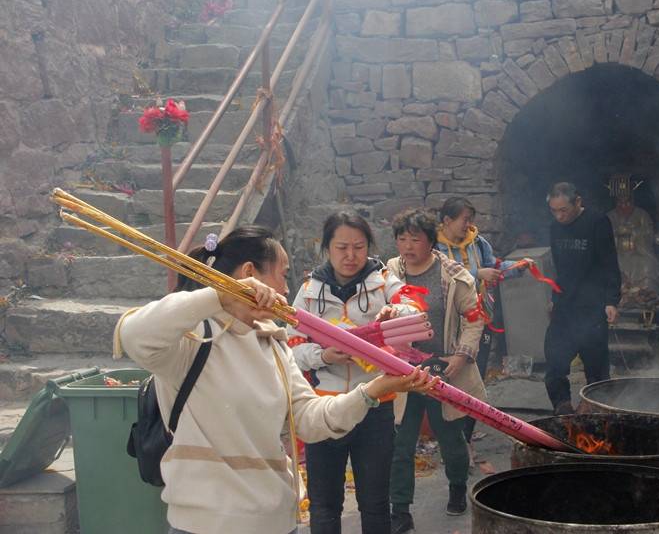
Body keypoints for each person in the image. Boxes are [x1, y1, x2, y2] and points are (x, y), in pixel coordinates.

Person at [116, 225, 433, 534]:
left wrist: (375, 389)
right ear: (250, 274)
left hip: (277, 522)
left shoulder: (273, 343)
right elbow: (134, 335)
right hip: (205, 525)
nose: (285, 289)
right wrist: (220, 297)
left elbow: (309, 418)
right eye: (282, 274)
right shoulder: (193, 338)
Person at [291, 212, 422, 534]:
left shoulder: (384, 281)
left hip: (376, 405)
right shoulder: (309, 291)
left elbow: (414, 305)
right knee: (324, 504)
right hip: (322, 406)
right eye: (341, 247)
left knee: (376, 502)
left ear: (369, 247)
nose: (350, 256)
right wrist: (322, 355)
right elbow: (290, 350)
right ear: (327, 248)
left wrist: (396, 312)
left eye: (359, 247)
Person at [386, 208, 487, 534]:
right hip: (401, 370)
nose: (408, 246)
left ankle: (457, 485)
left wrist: (461, 356)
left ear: (431, 241)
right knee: (401, 443)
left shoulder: (455, 275)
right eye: (402, 238)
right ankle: (400, 510)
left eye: (415, 238)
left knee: (449, 436)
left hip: (442, 368)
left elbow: (474, 319)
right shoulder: (388, 274)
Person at [435, 196, 529, 442]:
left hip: (478, 321)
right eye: (464, 220)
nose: (468, 225)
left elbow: (494, 266)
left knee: (475, 378)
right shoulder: (434, 247)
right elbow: (441, 275)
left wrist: (516, 266)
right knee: (449, 379)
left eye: (470, 220)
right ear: (446, 220)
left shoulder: (478, 243)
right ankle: (449, 436)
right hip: (448, 323)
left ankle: (465, 437)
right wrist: (477, 273)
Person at [545, 182, 621, 415]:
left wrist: (611, 300)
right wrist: (554, 296)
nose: (559, 216)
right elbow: (559, 267)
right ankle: (562, 408)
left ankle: (595, 408)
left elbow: (609, 263)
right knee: (555, 360)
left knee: (595, 365)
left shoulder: (597, 222)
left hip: (592, 305)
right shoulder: (555, 228)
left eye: (563, 210)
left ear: (578, 202)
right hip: (564, 305)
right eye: (554, 211)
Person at [606, 174, 659, 296]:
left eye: (627, 202)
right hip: (617, 253)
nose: (624, 206)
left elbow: (648, 233)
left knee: (647, 264)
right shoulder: (609, 216)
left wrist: (633, 233)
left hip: (638, 252)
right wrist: (617, 234)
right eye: (620, 202)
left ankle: (643, 294)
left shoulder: (642, 215)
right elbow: (604, 238)